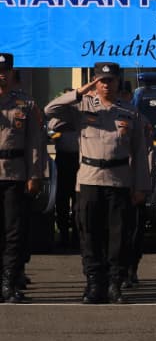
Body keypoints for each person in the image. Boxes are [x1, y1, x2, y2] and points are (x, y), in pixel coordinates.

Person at [45, 63, 150, 303]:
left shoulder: (130, 112)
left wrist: (140, 186)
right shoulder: (81, 107)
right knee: (89, 234)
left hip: (119, 179)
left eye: (110, 80)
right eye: (101, 80)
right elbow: (51, 109)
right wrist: (81, 91)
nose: (106, 84)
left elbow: (140, 153)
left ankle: (115, 283)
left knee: (118, 236)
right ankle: (94, 283)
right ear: (95, 81)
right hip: (90, 179)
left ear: (118, 82)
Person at [0, 54, 45, 303]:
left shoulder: (25, 104)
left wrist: (35, 174)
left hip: (15, 173)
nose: (1, 74)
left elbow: (35, 143)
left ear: (12, 72)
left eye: (5, 70)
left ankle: (9, 283)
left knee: (14, 232)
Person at [47, 106, 78, 252]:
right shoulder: (57, 119)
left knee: (78, 202)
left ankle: (78, 237)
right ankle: (64, 235)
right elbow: (50, 131)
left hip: (79, 161)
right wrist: (61, 130)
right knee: (62, 201)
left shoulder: (82, 117)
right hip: (63, 160)